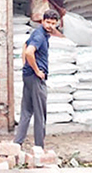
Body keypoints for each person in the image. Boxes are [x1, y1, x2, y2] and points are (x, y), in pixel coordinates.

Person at [14, 9, 61, 148]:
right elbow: (29, 51)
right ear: (42, 21)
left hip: (28, 75)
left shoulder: (39, 34)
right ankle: (39, 146)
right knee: (40, 112)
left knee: (26, 111)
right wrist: (36, 70)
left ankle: (17, 143)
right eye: (47, 22)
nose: (50, 26)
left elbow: (25, 45)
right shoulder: (40, 35)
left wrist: (25, 65)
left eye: (53, 23)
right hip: (35, 77)